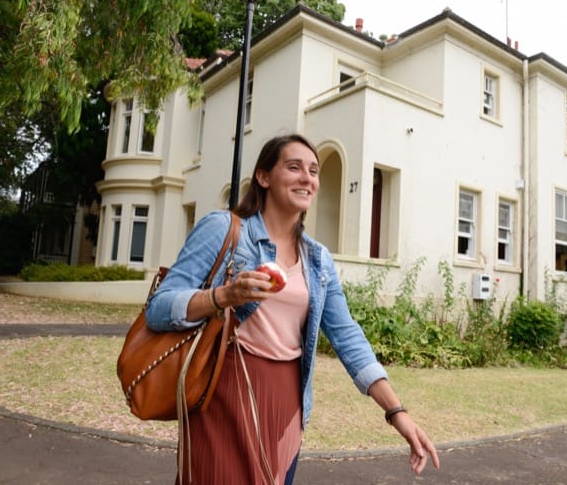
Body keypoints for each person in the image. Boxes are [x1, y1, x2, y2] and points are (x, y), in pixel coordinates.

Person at [146, 134, 440, 483]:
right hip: (223, 395)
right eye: (294, 167)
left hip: (287, 402)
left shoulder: (318, 260)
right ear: (264, 177)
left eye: (314, 170)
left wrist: (397, 412)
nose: (307, 178)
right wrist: (222, 296)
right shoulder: (224, 228)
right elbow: (160, 306)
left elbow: (348, 337)